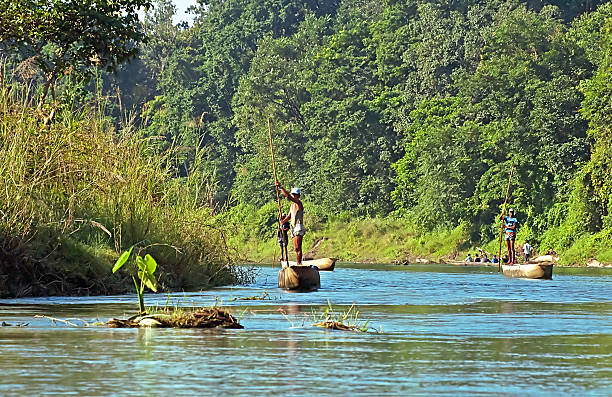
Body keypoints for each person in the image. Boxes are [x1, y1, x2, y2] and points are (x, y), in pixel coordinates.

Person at [276, 182, 306, 266]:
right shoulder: (292, 205)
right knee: (295, 248)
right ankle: (298, 263)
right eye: (293, 194)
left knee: (297, 247)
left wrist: (281, 187)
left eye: (295, 195)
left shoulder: (299, 203)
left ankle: (299, 264)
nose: (293, 196)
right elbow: (289, 216)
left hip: (298, 227)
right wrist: (282, 221)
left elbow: (288, 196)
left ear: (298, 196)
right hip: (293, 228)